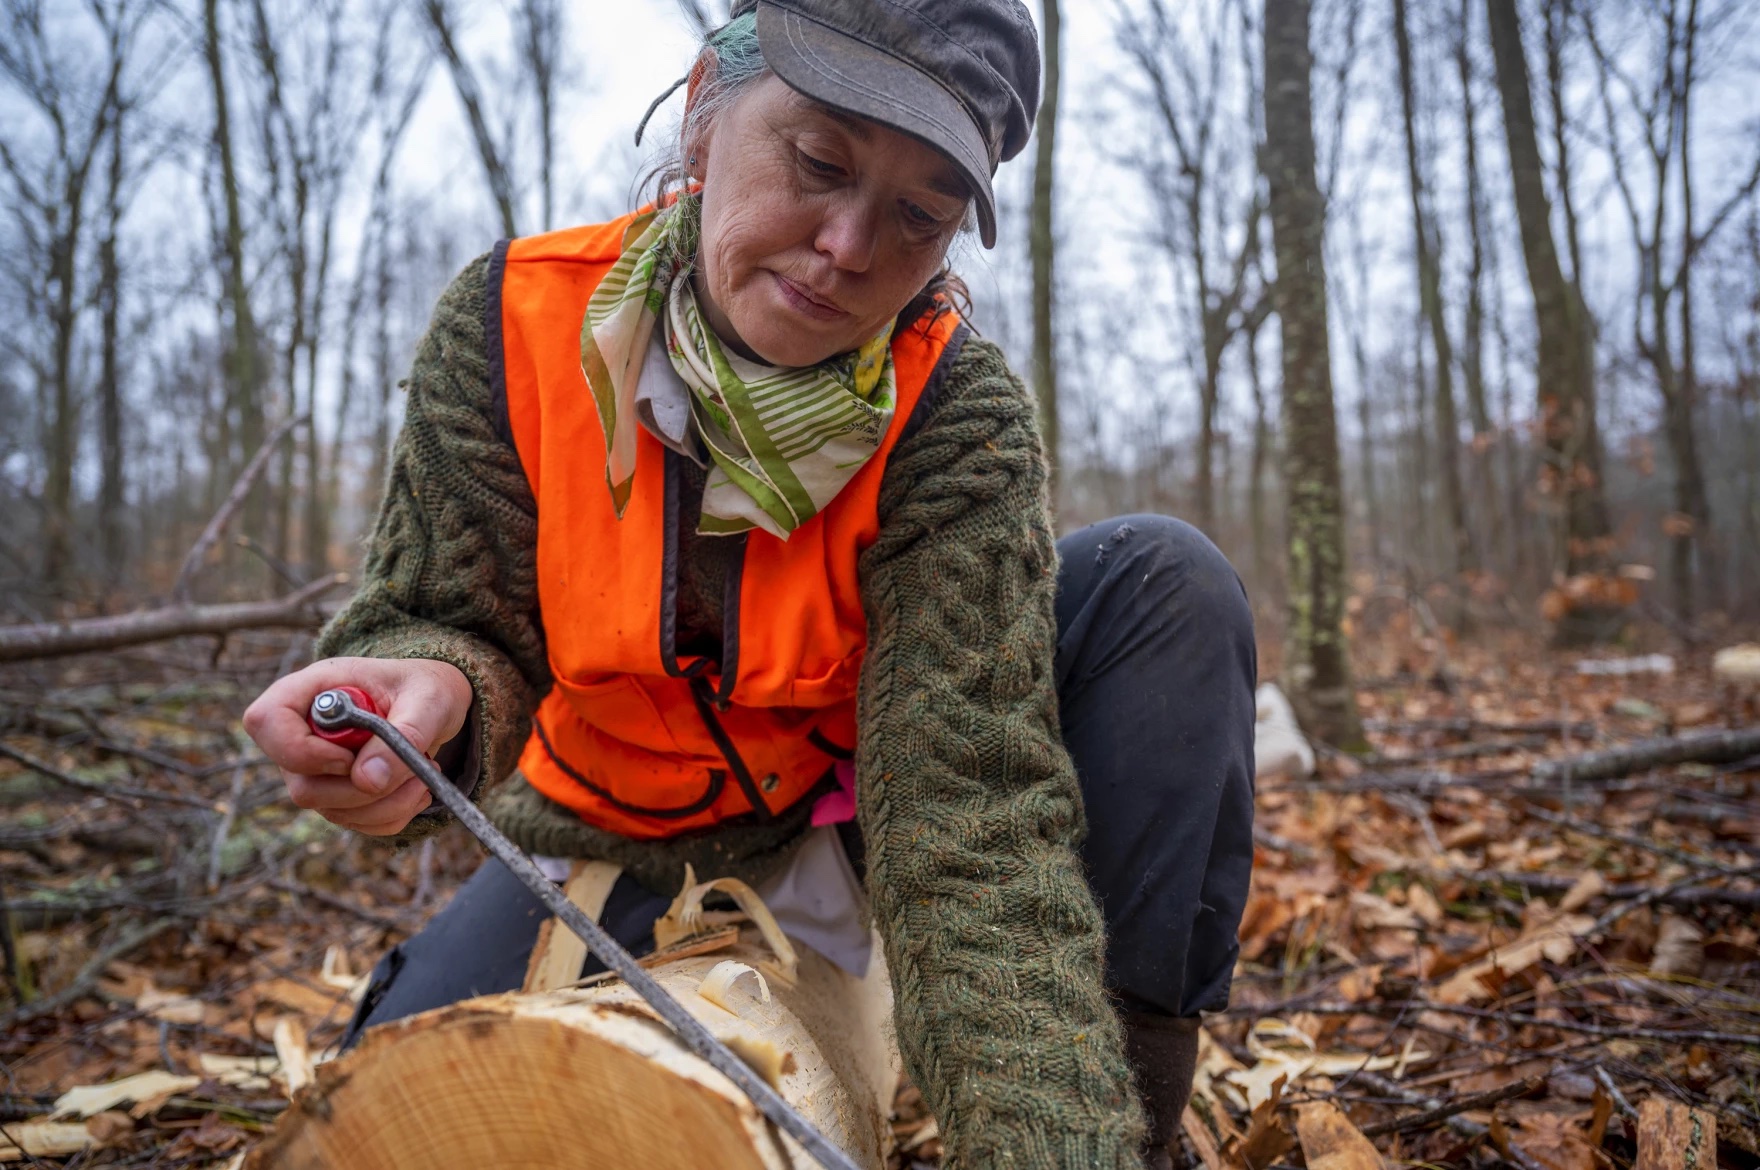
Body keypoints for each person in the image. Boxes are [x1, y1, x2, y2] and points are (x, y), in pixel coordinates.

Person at [242, 1, 1255, 1165]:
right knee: (401, 1095)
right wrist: (431, 688)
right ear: (701, 116)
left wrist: (1054, 1147)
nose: (848, 246)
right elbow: (447, 617)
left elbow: (963, 818)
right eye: (818, 163)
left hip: (858, 816)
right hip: (610, 831)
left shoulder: (953, 419)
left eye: (919, 215)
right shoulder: (509, 326)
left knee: (1164, 582)